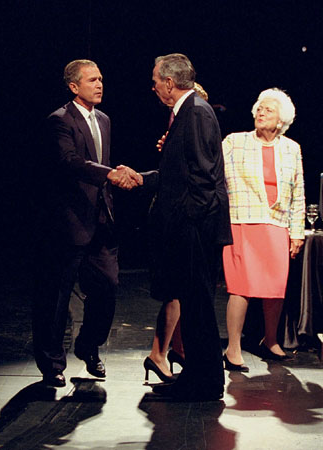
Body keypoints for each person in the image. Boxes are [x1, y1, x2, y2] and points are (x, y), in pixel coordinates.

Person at [33, 59, 142, 387]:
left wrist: (114, 173)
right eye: (92, 80)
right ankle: (51, 362)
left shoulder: (105, 120)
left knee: (107, 287)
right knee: (56, 296)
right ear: (73, 86)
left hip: (101, 220)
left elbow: (102, 163)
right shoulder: (59, 120)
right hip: (68, 222)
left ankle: (88, 344)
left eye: (101, 79)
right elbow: (70, 162)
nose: (99, 84)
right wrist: (108, 173)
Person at [141, 53, 232, 400]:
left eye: (155, 80)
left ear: (168, 82)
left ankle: (206, 383)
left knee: (199, 307)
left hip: (194, 227)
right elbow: (183, 167)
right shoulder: (187, 112)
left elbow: (204, 177)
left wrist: (187, 221)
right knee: (193, 306)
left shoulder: (194, 111)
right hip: (191, 225)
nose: (153, 86)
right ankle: (197, 376)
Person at [221, 88, 305, 372]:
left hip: (277, 225)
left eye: (268, 110)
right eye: (259, 108)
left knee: (274, 289)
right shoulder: (235, 142)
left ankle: (270, 341)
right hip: (242, 221)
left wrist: (297, 232)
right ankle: (232, 348)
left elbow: (298, 193)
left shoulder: (292, 148)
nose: (260, 112)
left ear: (281, 119)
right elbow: (209, 164)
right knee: (240, 287)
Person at [143, 82, 210, 384]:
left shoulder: (193, 123)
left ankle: (177, 351)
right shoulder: (178, 128)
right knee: (176, 291)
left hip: (183, 217)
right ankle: (161, 353)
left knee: (182, 292)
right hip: (175, 220)